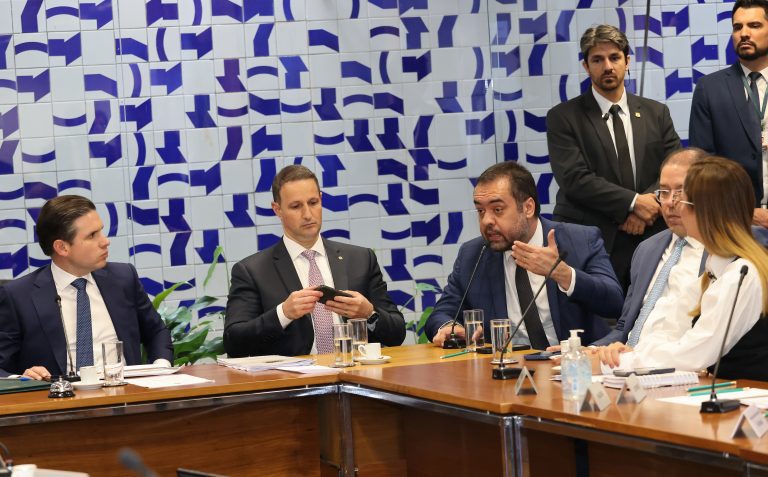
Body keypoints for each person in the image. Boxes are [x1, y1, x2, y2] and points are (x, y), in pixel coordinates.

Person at [597, 156, 768, 381]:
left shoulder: (742, 273)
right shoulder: (716, 268)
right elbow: (675, 329)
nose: (674, 206)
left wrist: (622, 362)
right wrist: (627, 353)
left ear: (707, 212)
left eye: (683, 201)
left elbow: (697, 351)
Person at [425, 161, 623, 349]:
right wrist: (450, 328)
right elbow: (442, 313)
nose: (486, 221)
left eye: (497, 209)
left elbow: (615, 303)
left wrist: (563, 274)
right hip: (506, 366)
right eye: (480, 210)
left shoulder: (580, 240)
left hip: (572, 364)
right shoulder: (473, 255)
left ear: (528, 208)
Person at [547, 24, 681, 290]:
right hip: (593, 241)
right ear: (586, 66)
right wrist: (633, 203)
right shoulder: (563, 117)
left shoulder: (657, 113)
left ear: (627, 61)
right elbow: (574, 179)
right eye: (597, 59)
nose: (607, 66)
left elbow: (676, 168)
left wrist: (647, 206)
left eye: (614, 57)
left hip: (653, 236)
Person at [224, 165, 405, 357]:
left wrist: (369, 313)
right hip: (293, 376)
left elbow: (397, 334)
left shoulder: (360, 259)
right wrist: (283, 314)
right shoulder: (253, 271)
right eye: (296, 206)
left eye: (313, 202)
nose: (308, 214)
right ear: (277, 209)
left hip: (354, 371)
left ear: (321, 199)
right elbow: (234, 343)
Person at [0, 195, 173, 380]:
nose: (105, 241)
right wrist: (22, 379)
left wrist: (160, 368)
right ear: (62, 247)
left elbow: (156, 332)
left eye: (101, 231)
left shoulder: (123, 278)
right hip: (59, 396)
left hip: (125, 392)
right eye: (92, 235)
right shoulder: (18, 296)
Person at [591, 148, 708, 352]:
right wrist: (592, 351)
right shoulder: (646, 249)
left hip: (680, 362)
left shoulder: (724, 252)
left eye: (680, 192)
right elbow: (624, 328)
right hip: (629, 362)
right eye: (664, 192)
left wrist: (642, 357)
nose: (670, 202)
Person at [689, 0, 768, 227]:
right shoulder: (709, 89)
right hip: (734, 222)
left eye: (754, 25)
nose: (744, 33)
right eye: (737, 27)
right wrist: (745, 212)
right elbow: (704, 166)